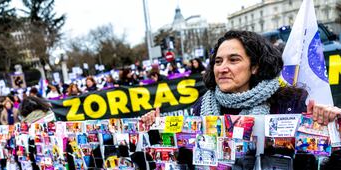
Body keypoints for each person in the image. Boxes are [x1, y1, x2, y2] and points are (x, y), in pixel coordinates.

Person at [141, 30, 341, 126]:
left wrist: (328, 121)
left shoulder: (290, 101)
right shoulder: (202, 105)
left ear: (254, 66)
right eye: (218, 61)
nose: (222, 68)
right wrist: (157, 127)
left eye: (233, 60)